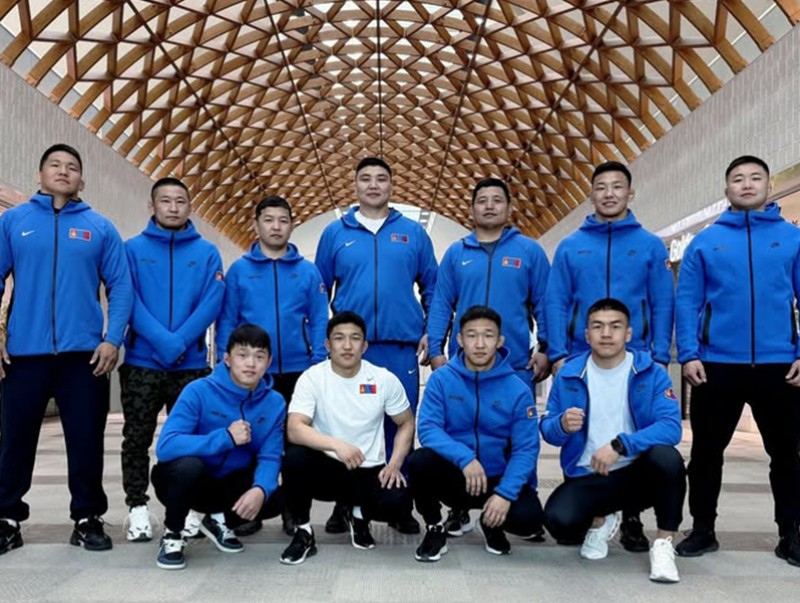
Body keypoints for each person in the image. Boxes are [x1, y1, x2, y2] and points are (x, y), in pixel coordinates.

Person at [0, 144, 133, 554]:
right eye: (55, 165)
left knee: (86, 439)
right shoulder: (14, 222)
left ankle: (88, 518)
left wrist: (112, 338)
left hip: (84, 355)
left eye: (72, 166)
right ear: (39, 175)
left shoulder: (100, 227)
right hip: (25, 352)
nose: (63, 171)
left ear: (81, 180)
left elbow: (121, 286)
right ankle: (6, 518)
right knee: (14, 439)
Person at [675, 155, 800, 565]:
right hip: (716, 365)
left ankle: (791, 533)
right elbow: (687, 302)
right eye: (738, 179)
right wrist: (689, 353)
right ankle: (703, 529)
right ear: (726, 189)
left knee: (788, 455)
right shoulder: (706, 242)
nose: (747, 184)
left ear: (768, 186)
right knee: (705, 454)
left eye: (755, 178)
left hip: (780, 365)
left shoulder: (792, 238)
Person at [544, 160, 675, 552]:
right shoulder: (571, 246)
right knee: (581, 428)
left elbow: (662, 302)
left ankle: (631, 516)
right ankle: (594, 507)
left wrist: (660, 354)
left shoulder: (649, 245)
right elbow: (555, 302)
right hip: (580, 354)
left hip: (636, 354)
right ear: (591, 194)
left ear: (630, 193)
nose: (609, 193)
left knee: (635, 427)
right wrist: (558, 352)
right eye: (601, 187)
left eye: (617, 186)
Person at [315, 157, 437, 534]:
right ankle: (345, 503)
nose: (373, 185)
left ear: (391, 185)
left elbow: (433, 287)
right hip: (350, 350)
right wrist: (324, 344)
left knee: (399, 424)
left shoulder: (414, 234)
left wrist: (432, 332)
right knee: (348, 425)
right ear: (354, 185)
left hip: (400, 348)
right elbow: (318, 291)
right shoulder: (335, 233)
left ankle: (399, 504)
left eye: (381, 178)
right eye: (365, 178)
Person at [426, 177, 550, 536]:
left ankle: (519, 496)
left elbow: (545, 302)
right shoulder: (456, 254)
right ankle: (460, 507)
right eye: (482, 200)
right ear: (471, 209)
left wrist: (546, 348)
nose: (490, 206)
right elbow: (441, 304)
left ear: (509, 208)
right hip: (462, 367)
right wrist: (435, 350)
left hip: (514, 366)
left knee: (516, 438)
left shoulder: (529, 252)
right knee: (460, 431)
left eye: (497, 200)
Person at [541, 298, 685, 583]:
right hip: (588, 474)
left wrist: (621, 445)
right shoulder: (568, 374)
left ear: (628, 333)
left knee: (668, 459)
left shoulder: (651, 372)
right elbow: (547, 430)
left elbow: (671, 427)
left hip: (638, 472)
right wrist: (561, 425)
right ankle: (602, 519)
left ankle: (664, 544)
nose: (606, 334)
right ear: (587, 335)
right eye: (598, 327)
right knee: (560, 522)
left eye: (615, 326)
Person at [120, 177, 224, 542]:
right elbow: (127, 299)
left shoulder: (207, 252)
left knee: (195, 439)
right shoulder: (131, 249)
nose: (174, 207)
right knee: (136, 438)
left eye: (181, 200)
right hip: (142, 363)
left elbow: (212, 301)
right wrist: (164, 341)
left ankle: (193, 508)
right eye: (166, 200)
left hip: (190, 366)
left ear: (190, 207)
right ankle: (137, 508)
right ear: (152, 206)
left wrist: (178, 342)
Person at [216, 195, 328, 536]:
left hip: (297, 371)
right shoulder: (240, 270)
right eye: (269, 220)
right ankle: (248, 510)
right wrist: (224, 363)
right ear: (256, 225)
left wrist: (317, 362)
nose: (276, 227)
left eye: (283, 220)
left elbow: (319, 319)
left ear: (291, 225)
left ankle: (295, 511)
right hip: (251, 373)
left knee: (296, 445)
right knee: (248, 440)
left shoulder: (307, 271)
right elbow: (227, 319)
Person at [409, 306, 544, 562]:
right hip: (456, 475)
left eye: (488, 335)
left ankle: (491, 523)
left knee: (529, 519)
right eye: (472, 335)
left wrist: (505, 494)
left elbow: (526, 448)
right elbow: (428, 428)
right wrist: (466, 458)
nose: (480, 344)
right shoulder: (442, 380)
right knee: (419, 462)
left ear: (500, 340)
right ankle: (435, 527)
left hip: (496, 479)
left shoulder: (517, 389)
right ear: (460, 339)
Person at [279, 312, 415, 565]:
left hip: (367, 467)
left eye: (355, 338)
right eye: (339, 338)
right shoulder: (312, 378)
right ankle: (303, 531)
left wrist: (395, 463)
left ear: (365, 346)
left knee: (398, 501)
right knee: (294, 458)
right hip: (326, 467)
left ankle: (358, 515)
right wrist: (336, 445)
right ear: (327, 345)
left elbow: (406, 422)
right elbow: (295, 429)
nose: (347, 345)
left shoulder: (383, 379)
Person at [151, 324, 285, 570]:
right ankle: (173, 534)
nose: (251, 363)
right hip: (188, 483)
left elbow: (271, 456)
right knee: (188, 466)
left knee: (276, 497)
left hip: (229, 484)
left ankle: (219, 520)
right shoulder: (198, 391)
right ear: (227, 358)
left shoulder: (274, 402)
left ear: (269, 362)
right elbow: (166, 446)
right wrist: (225, 438)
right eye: (242, 355)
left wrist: (260, 489)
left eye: (259, 357)